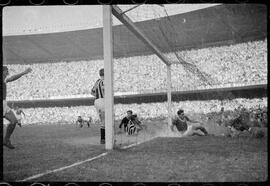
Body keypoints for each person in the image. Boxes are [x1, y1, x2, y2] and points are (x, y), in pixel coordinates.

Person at [3, 65, 32, 149]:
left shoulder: (4, 79)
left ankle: (6, 140)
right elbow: (12, 78)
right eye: (6, 70)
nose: (7, 72)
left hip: (4, 104)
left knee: (13, 121)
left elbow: (11, 78)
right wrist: (23, 72)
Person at [91, 68, 105, 144]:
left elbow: (92, 92)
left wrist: (98, 96)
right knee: (108, 119)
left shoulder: (97, 81)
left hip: (96, 101)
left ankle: (103, 139)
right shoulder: (105, 81)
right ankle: (107, 138)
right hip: (103, 101)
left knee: (103, 120)